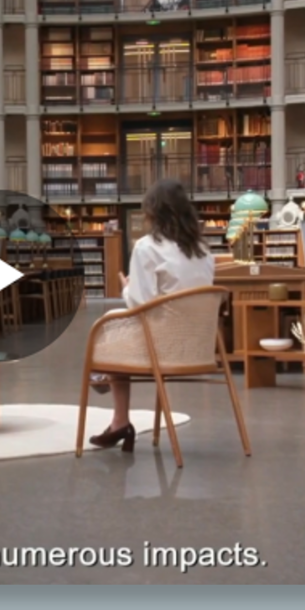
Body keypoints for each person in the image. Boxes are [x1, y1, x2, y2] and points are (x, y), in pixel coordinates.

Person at [88, 179, 215, 451]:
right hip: (200, 348)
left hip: (162, 348)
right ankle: (109, 396)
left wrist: (127, 289)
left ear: (153, 213)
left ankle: (106, 389)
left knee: (111, 326)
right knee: (117, 330)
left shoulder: (147, 247)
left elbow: (140, 304)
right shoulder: (205, 251)